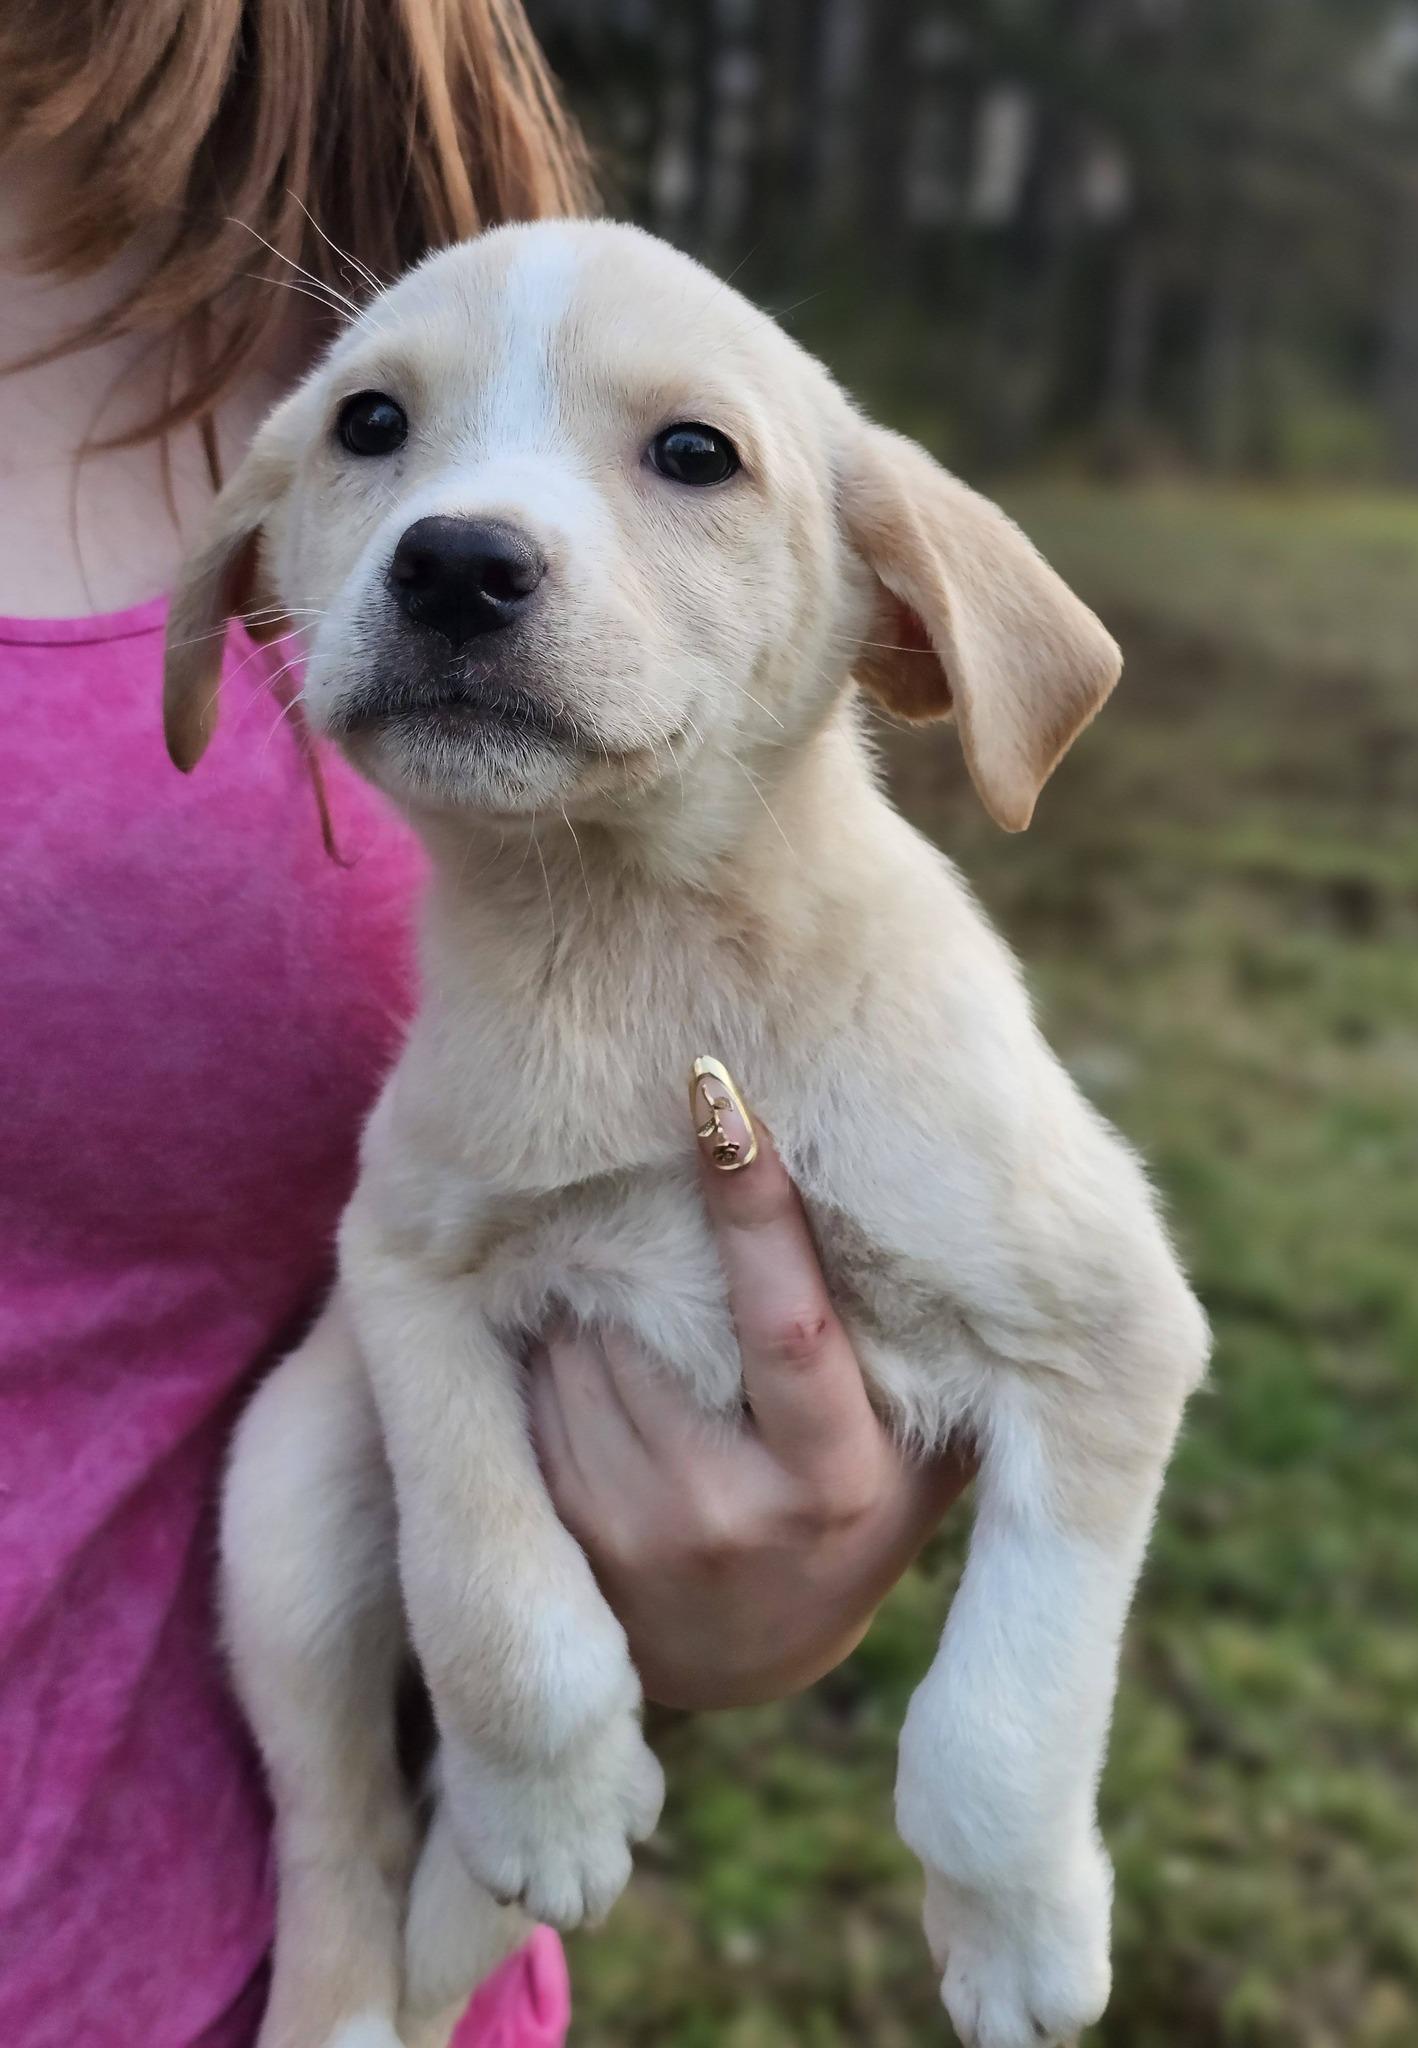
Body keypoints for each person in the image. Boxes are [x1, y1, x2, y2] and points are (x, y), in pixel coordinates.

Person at [0, 6, 967, 2045]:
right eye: (375, 444)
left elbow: (889, 1253)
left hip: (259, 1968)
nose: (462, 525)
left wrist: (782, 1530)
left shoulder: (435, 263)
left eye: (680, 464)